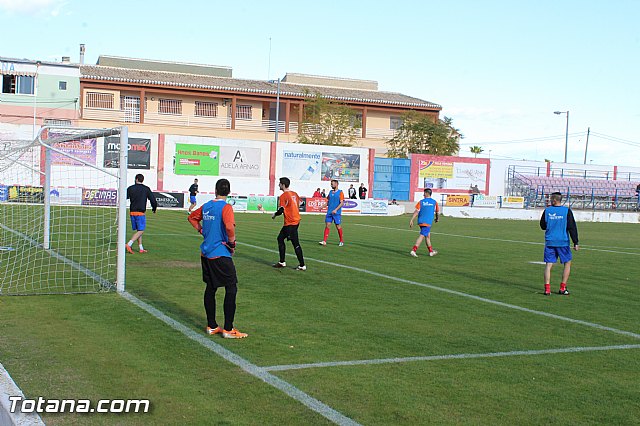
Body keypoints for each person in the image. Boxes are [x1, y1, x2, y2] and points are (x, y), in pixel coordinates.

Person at [188, 178, 247, 339]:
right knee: (231, 287)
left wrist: (201, 231)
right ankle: (228, 329)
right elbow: (229, 226)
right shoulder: (226, 207)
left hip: (205, 253)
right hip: (220, 253)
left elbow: (192, 218)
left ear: (215, 190)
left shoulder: (207, 205)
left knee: (211, 288)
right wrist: (232, 243)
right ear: (228, 192)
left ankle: (212, 325)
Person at [540, 192, 579, 296]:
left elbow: (542, 226)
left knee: (548, 265)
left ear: (554, 200)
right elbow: (572, 227)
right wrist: (575, 242)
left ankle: (547, 289)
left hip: (550, 241)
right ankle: (562, 287)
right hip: (563, 242)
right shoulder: (566, 211)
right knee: (567, 263)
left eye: (550, 199)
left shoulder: (547, 211)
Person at [272, 177, 306, 270]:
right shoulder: (294, 193)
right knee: (280, 238)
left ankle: (302, 265)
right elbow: (302, 204)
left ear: (283, 185)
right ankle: (282, 262)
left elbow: (281, 210)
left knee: (295, 243)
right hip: (296, 220)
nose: (279, 185)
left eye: (279, 183)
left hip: (290, 222)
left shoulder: (283, 196)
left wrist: (275, 214)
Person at [126, 174, 157, 254]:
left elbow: (123, 197)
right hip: (140, 212)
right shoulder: (146, 189)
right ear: (142, 180)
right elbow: (153, 200)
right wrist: (154, 208)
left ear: (136, 179)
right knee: (141, 230)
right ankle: (129, 244)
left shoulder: (130, 188)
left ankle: (141, 248)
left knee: (138, 230)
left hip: (132, 212)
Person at [409, 188, 439, 257]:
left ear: (426, 193)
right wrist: (437, 219)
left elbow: (416, 211)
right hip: (427, 222)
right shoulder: (434, 202)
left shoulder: (421, 202)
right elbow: (437, 212)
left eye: (424, 193)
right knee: (422, 235)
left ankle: (431, 251)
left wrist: (412, 220)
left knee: (427, 236)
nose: (423, 194)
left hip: (421, 221)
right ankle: (414, 250)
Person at [319, 179, 345, 246]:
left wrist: (336, 210)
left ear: (336, 184)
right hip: (329, 212)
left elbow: (342, 203)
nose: (331, 185)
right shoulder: (330, 192)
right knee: (327, 225)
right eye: (331, 184)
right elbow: (328, 201)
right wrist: (322, 207)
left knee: (338, 226)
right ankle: (324, 241)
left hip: (336, 213)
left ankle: (341, 241)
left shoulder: (340, 192)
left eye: (332, 184)